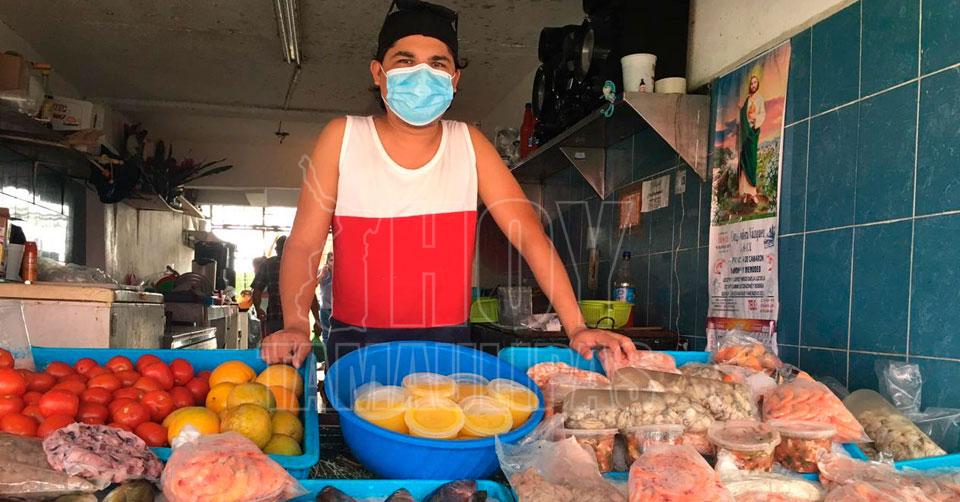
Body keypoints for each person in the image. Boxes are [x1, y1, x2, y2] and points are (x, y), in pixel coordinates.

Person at [261, 0, 637, 368]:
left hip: (445, 343)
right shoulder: (343, 137)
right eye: (405, 61)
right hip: (356, 342)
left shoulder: (469, 143)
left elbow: (529, 236)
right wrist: (295, 324)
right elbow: (305, 243)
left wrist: (576, 327)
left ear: (454, 79)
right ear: (378, 72)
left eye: (437, 63)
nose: (421, 74)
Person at [252, 235, 320, 337]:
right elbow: (310, 295)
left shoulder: (268, 265)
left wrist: (258, 309)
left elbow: (257, 290)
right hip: (298, 319)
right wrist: (317, 319)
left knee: (274, 346)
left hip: (274, 317)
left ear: (276, 249)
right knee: (296, 346)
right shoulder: (301, 265)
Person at [738, 73, 765, 199]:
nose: (753, 85)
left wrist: (755, 118)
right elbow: (743, 113)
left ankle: (752, 192)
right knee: (744, 160)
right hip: (745, 133)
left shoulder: (760, 99)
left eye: (755, 83)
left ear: (757, 85)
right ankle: (744, 192)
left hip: (752, 133)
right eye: (751, 83)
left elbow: (762, 114)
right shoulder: (747, 100)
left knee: (752, 161)